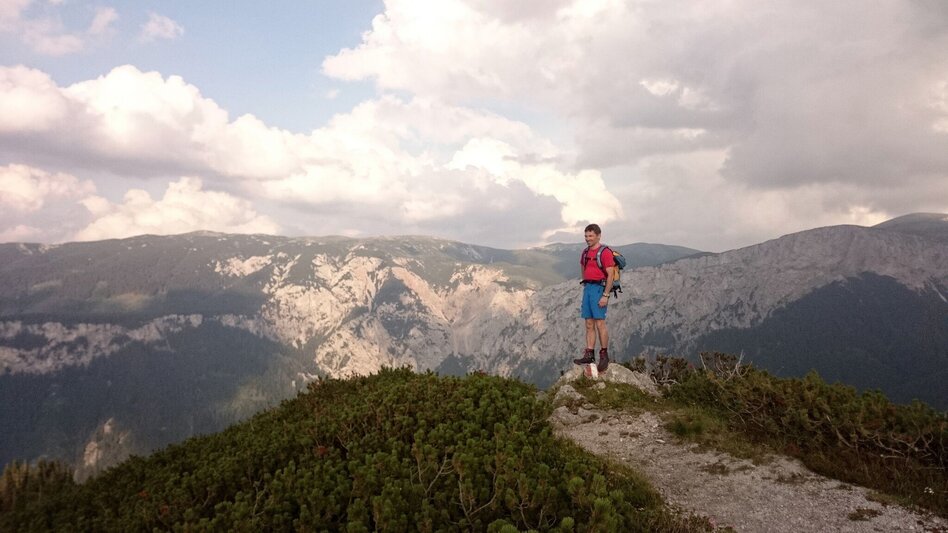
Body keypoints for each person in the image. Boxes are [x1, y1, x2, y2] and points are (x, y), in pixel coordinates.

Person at [573, 223, 616, 372]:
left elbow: (610, 274)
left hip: (599, 289)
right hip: (588, 288)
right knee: (589, 323)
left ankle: (604, 354)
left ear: (598, 236)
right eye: (586, 236)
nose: (587, 239)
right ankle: (589, 353)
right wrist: (585, 281)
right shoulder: (585, 253)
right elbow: (582, 268)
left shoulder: (605, 252)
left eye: (590, 236)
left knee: (600, 324)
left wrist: (605, 294)